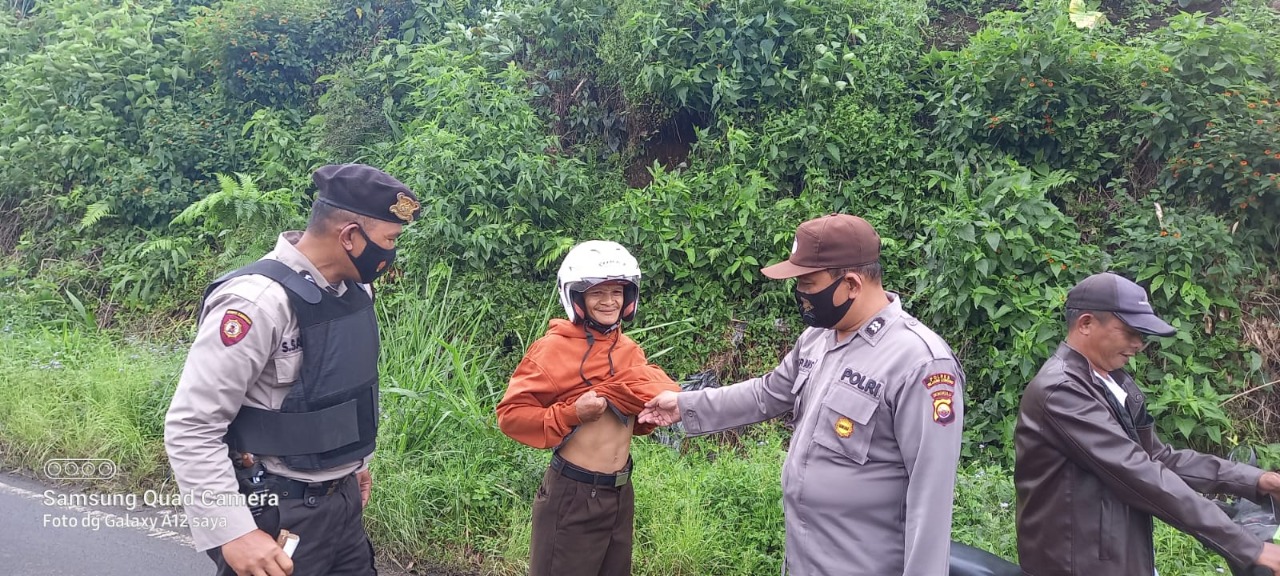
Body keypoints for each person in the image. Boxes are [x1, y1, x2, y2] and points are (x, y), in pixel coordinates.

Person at [639, 213, 965, 575]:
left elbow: (931, 497)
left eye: (808, 283)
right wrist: (684, 405)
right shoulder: (818, 338)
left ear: (851, 284)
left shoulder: (919, 362)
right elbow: (766, 393)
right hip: (804, 561)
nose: (801, 295)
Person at [165, 164, 421, 576]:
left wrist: (352, 465)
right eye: (389, 240)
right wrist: (233, 532)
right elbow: (192, 425)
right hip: (274, 509)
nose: (391, 253)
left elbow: (338, 388)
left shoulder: (354, 290)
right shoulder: (257, 303)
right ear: (349, 236)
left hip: (342, 505)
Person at [1015, 272, 1280, 575]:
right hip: (1078, 566)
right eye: (1130, 331)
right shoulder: (1062, 390)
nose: (1139, 343)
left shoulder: (1114, 382)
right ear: (1086, 324)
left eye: (1142, 334)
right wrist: (1248, 547)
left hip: (1121, 558)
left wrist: (1257, 480)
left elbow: (1158, 457)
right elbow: (1140, 474)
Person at [496, 240, 680, 576]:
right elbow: (510, 416)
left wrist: (648, 413)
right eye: (598, 292)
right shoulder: (552, 350)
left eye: (617, 291)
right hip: (574, 494)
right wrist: (572, 413)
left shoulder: (629, 350)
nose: (609, 301)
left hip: (620, 493)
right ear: (577, 298)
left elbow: (634, 419)